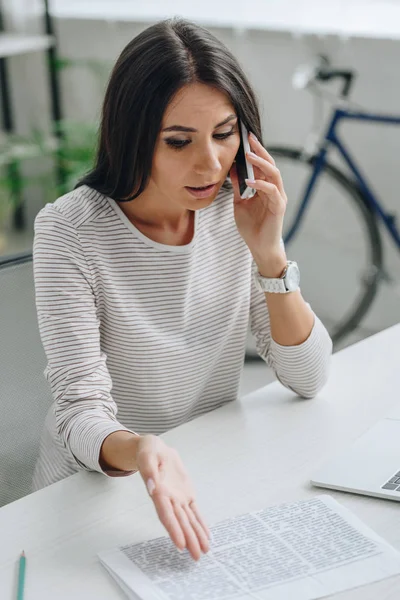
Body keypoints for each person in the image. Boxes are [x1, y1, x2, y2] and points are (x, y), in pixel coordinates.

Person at [32, 18, 332, 561]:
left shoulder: (234, 211)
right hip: (90, 494)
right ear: (132, 135)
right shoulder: (69, 231)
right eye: (178, 141)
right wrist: (145, 450)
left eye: (224, 133)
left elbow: (308, 377)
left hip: (205, 471)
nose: (211, 163)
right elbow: (78, 410)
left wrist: (269, 251)